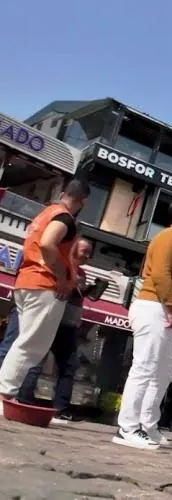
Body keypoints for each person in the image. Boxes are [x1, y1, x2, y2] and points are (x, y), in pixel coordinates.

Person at [113, 197, 172, 450]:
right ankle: (127, 427)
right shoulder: (168, 238)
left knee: (165, 370)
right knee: (144, 367)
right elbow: (161, 275)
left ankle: (147, 425)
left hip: (162, 310)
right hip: (154, 308)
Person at [0, 179, 90, 408]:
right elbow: (49, 244)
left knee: (23, 342)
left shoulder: (46, 213)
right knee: (33, 346)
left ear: (63, 193)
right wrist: (61, 277)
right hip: (45, 285)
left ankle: (4, 392)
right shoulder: (64, 218)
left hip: (26, 280)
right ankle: (4, 395)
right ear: (83, 201)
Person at [6, 239, 94, 422]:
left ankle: (61, 408)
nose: (86, 255)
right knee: (35, 358)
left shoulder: (82, 272)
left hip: (68, 324)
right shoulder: (61, 265)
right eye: (83, 251)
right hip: (52, 319)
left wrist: (84, 290)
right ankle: (23, 399)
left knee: (69, 365)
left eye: (89, 253)